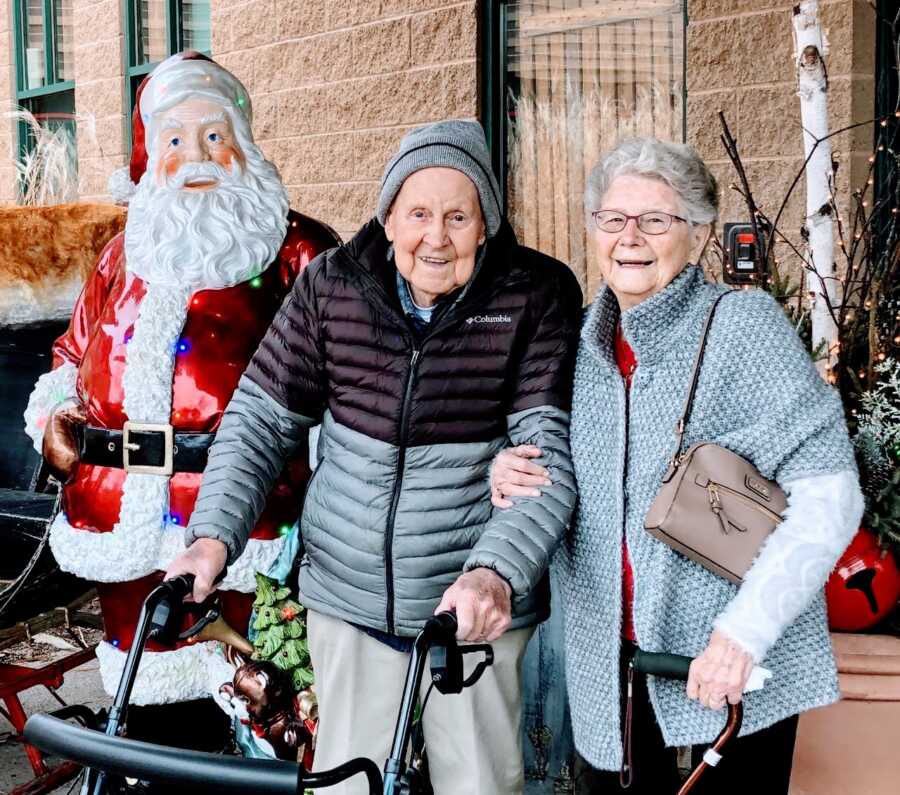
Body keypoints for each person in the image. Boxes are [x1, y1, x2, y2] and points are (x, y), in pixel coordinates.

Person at [166, 119, 582, 794]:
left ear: (488, 225)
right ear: (388, 217)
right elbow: (260, 420)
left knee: (478, 784)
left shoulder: (534, 295)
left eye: (458, 215)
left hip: (467, 614)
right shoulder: (333, 285)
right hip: (349, 599)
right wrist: (211, 539)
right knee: (345, 784)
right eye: (418, 212)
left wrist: (494, 575)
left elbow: (546, 462)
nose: (436, 236)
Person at [490, 137, 863, 794]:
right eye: (614, 218)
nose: (630, 237)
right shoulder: (573, 345)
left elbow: (830, 494)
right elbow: (549, 471)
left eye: (656, 220)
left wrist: (742, 634)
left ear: (697, 232)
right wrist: (506, 472)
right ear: (592, 228)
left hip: (729, 675)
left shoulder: (742, 325)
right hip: (614, 677)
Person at [23, 51, 338, 747]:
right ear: (150, 153)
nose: (195, 155)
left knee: (268, 691)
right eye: (175, 140)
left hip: (251, 516)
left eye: (213, 136)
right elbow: (72, 356)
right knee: (145, 693)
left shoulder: (300, 251)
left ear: (242, 143)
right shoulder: (124, 251)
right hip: (120, 515)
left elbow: (344, 375)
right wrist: (54, 416)